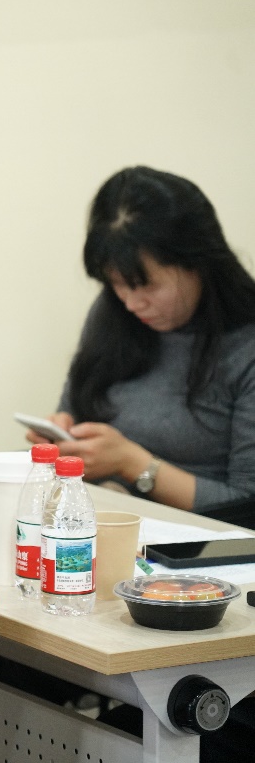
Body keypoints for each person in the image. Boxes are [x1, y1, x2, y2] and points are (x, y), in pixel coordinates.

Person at [28, 166, 255, 516]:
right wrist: (62, 436)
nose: (132, 304)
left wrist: (132, 463)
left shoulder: (244, 346)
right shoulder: (112, 314)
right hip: (96, 520)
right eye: (117, 284)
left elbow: (246, 506)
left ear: (199, 263)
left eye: (146, 285)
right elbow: (74, 410)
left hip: (196, 540)